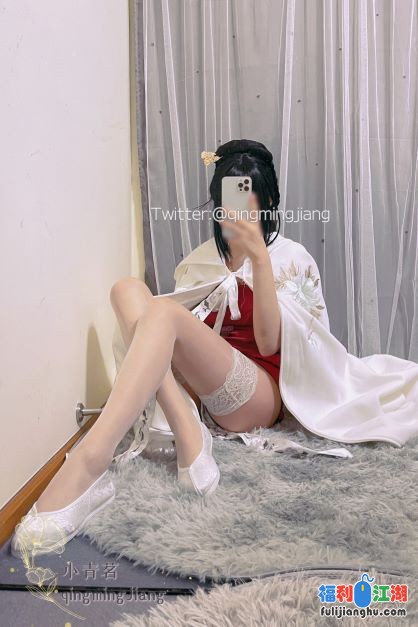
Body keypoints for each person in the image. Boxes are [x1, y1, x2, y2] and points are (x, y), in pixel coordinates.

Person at [11, 139, 286, 557]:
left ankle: (91, 460)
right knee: (126, 289)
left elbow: (270, 343)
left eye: (250, 200)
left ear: (267, 203)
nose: (239, 211)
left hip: (258, 394)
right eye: (229, 200)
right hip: (203, 392)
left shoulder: (289, 258)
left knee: (161, 312)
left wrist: (259, 259)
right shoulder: (200, 261)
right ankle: (186, 427)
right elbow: (173, 342)